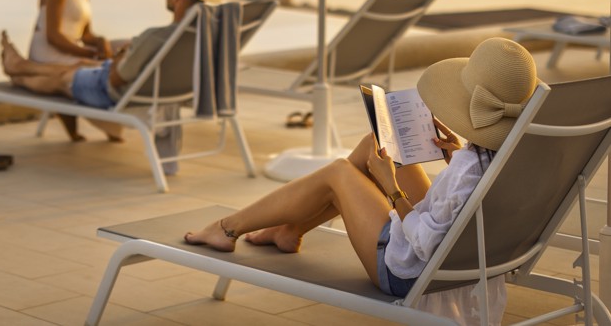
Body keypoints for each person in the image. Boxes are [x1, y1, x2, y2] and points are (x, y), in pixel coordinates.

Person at [183, 37, 538, 302]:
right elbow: (464, 198)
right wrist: (456, 155)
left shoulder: (470, 171)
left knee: (340, 172)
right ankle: (289, 229)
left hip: (410, 270)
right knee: (376, 145)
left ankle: (227, 228)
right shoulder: (507, 155)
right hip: (460, 250)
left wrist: (392, 189)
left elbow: (430, 242)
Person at [1, 0, 220, 110]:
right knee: (81, 66)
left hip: (115, 93)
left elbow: (115, 80)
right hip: (164, 94)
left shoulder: (155, 38)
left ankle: (21, 77)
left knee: (62, 79)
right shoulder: (206, 39)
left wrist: (121, 58)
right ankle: (21, 66)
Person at [28, 0, 113, 141]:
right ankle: (108, 123)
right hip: (48, 51)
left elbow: (85, 35)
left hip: (70, 47)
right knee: (101, 69)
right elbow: (53, 36)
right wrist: (87, 54)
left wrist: (99, 42)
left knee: (116, 54)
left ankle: (109, 123)